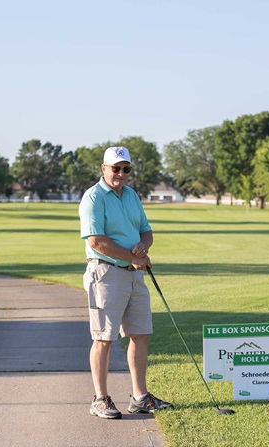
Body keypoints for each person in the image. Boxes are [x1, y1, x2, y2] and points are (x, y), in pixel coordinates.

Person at [79, 146, 173, 419]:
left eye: (126, 169)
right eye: (115, 168)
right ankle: (100, 399)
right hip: (106, 273)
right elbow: (97, 241)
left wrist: (143, 247)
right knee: (103, 338)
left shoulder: (131, 195)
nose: (121, 173)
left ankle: (140, 397)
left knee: (140, 334)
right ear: (103, 168)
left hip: (134, 273)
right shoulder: (93, 197)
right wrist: (133, 257)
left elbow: (146, 230)